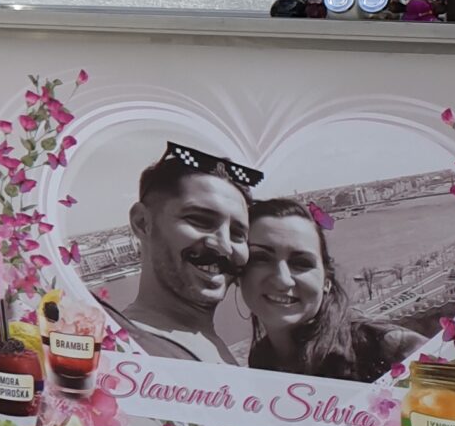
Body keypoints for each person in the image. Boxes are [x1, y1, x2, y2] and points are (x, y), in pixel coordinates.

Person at [241, 196, 421, 382]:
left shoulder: (394, 349)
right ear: (239, 271)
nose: (282, 280)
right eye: (260, 258)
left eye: (301, 263)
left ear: (326, 280)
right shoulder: (262, 360)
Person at [113, 142, 257, 364]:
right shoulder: (132, 353)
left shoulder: (201, 342)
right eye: (199, 220)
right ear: (142, 223)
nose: (225, 246)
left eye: (237, 234)